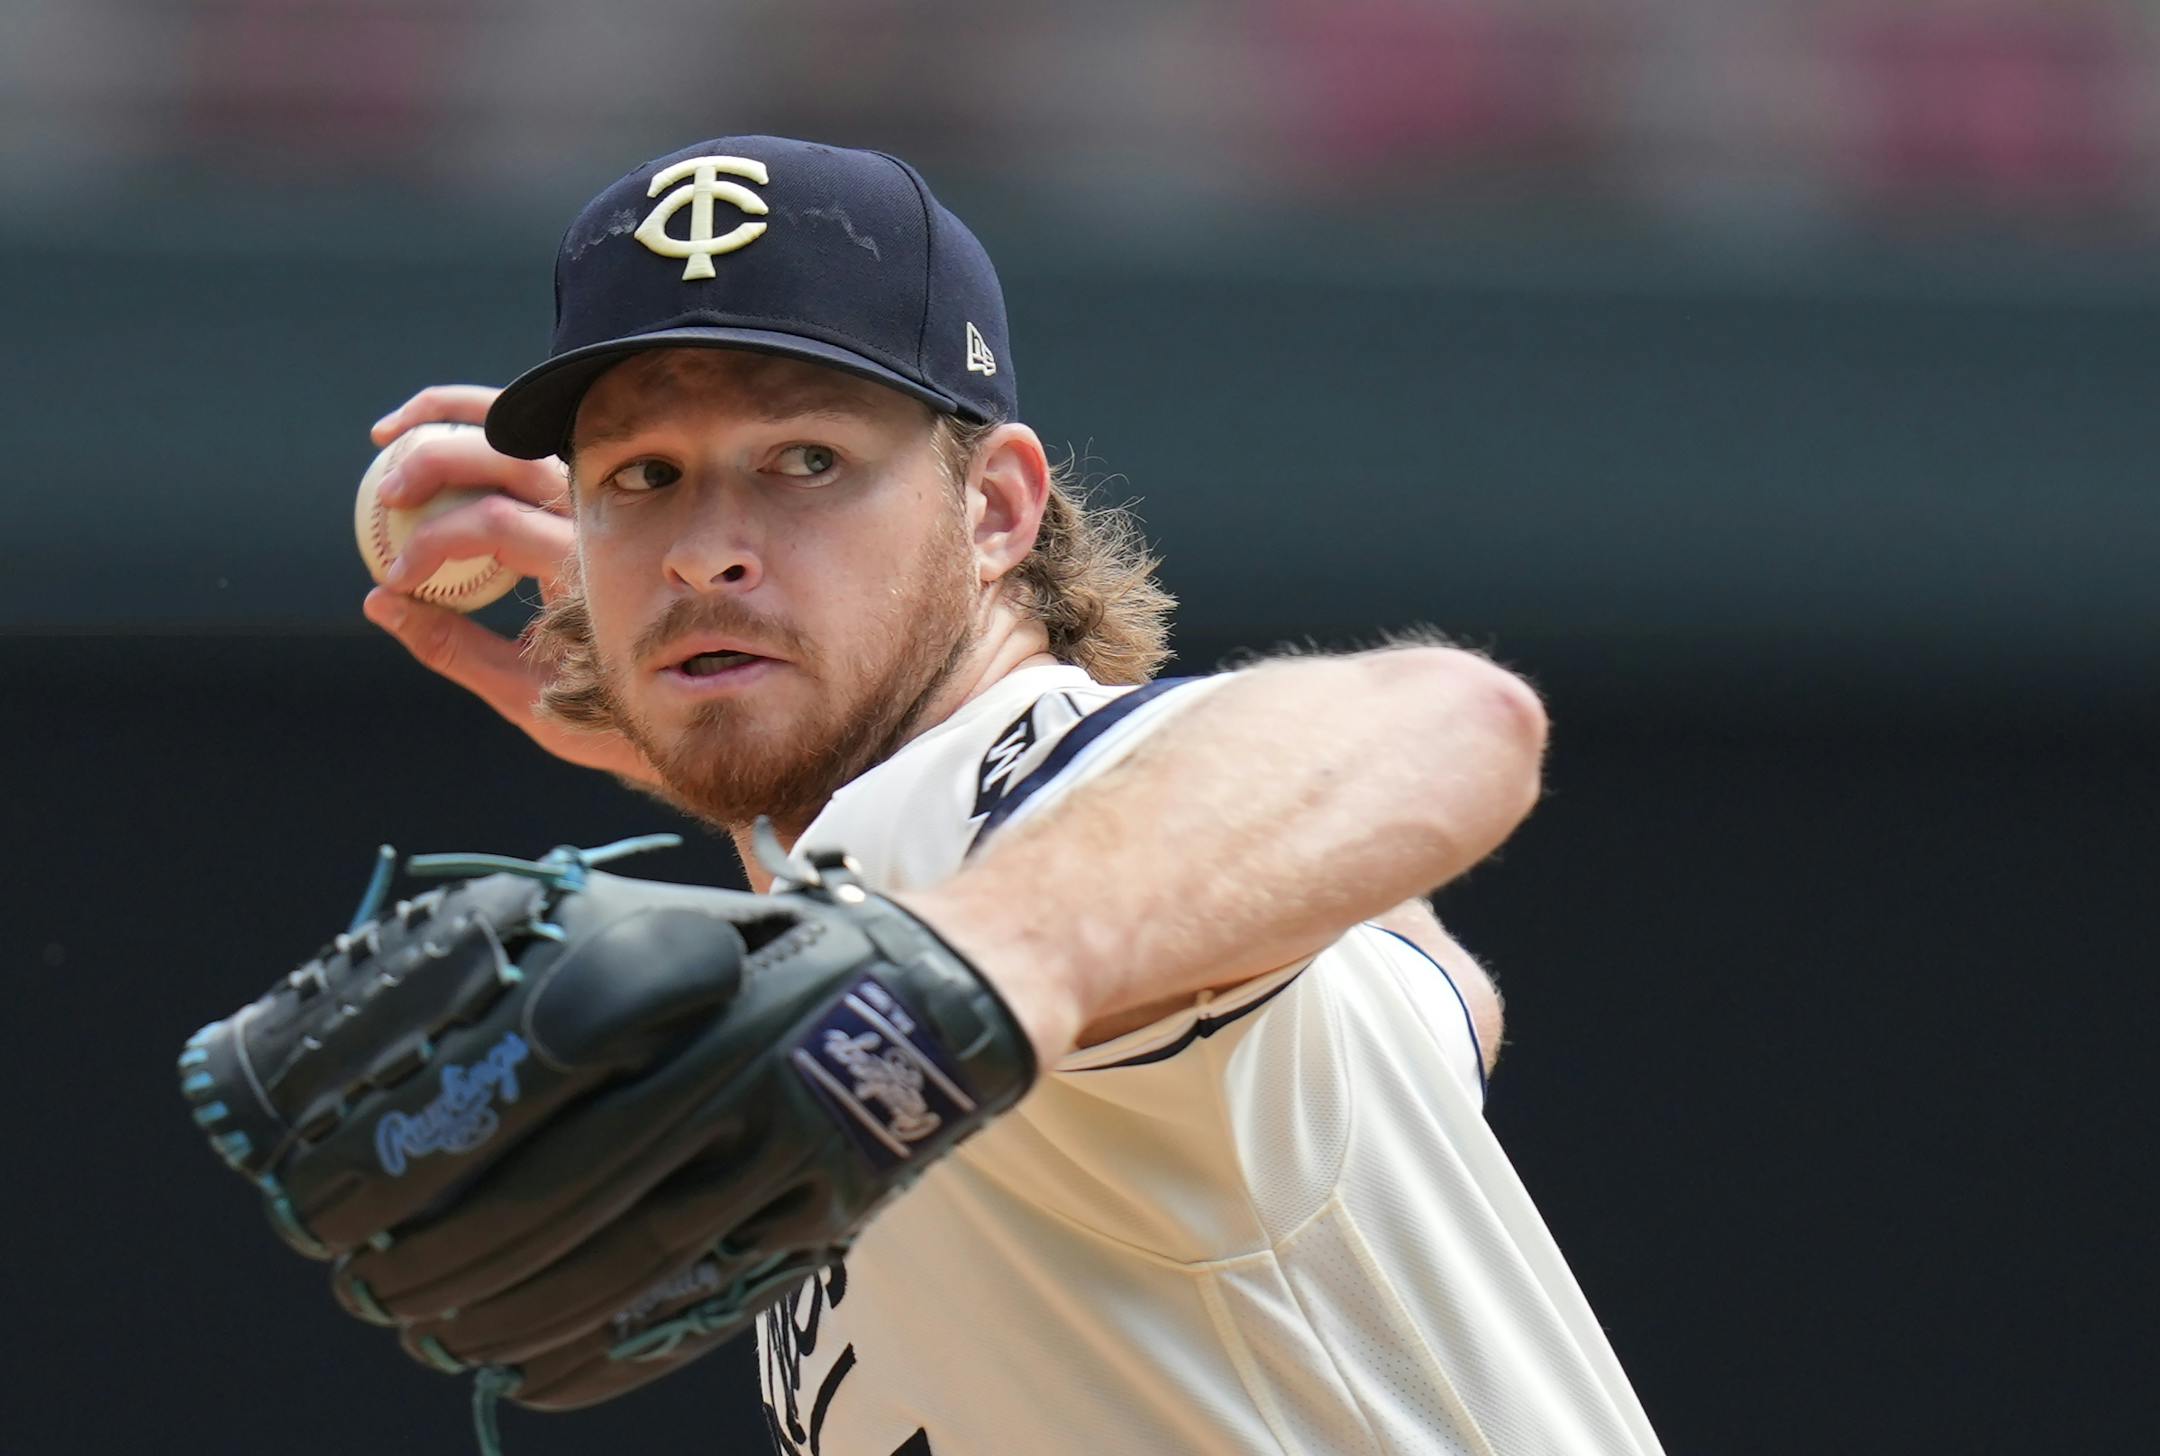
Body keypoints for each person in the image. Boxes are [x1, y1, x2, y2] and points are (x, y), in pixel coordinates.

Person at [360, 135, 1665, 1456]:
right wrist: (763, 789)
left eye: (803, 460)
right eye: (642, 477)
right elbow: (1434, 987)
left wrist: (976, 957)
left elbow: (1453, 720)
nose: (702, 552)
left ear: (994, 509)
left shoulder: (960, 835)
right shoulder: (1020, 890)